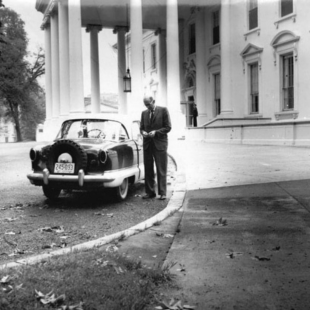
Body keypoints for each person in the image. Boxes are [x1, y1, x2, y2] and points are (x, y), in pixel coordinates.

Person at [140, 95, 172, 200]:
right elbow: (141, 128)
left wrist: (156, 132)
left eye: (148, 104)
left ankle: (162, 193)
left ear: (154, 101)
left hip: (160, 144)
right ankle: (150, 192)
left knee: (161, 168)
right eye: (145, 105)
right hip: (147, 144)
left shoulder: (163, 110)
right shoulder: (144, 113)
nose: (147, 107)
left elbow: (168, 127)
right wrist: (143, 132)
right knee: (148, 169)